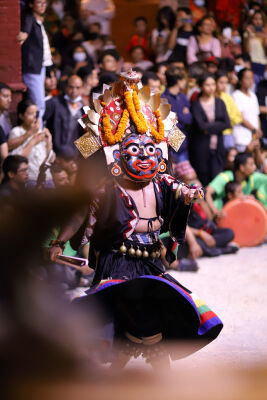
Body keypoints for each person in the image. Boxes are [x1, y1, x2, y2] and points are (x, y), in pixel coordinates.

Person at [49, 70, 223, 368]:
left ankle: (146, 375)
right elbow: (80, 214)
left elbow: (183, 191)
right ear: (117, 159)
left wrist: (192, 194)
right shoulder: (106, 189)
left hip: (151, 257)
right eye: (134, 149)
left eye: (150, 150)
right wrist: (58, 241)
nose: (143, 155)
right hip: (118, 258)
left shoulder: (163, 182)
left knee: (152, 312)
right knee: (131, 311)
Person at [189, 73, 231, 186]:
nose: (211, 87)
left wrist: (208, 128)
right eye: (207, 85)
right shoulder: (196, 105)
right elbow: (200, 126)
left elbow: (227, 123)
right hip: (201, 149)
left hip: (218, 148)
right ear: (201, 86)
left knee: (217, 179)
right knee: (204, 179)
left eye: (213, 84)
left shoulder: (220, 102)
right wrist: (218, 125)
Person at [17, 0, 53, 124]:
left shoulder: (39, 21)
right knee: (39, 103)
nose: (43, 5)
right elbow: (25, 30)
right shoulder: (29, 17)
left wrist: (48, 72)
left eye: (45, 3)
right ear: (31, 4)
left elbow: (45, 49)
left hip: (40, 66)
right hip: (32, 67)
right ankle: (37, 131)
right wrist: (24, 35)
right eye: (39, 2)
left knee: (39, 101)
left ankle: (38, 131)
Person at [206, 152, 267, 218]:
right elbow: (206, 192)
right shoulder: (225, 177)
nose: (255, 167)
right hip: (216, 214)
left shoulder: (252, 178)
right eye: (251, 164)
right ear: (242, 167)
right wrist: (215, 211)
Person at [8, 99, 54, 184]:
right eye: (30, 114)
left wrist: (49, 142)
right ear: (21, 116)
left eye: (36, 113)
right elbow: (17, 159)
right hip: (31, 179)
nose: (35, 116)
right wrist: (33, 139)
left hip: (47, 178)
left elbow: (51, 160)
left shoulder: (40, 132)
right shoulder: (16, 131)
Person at [43, 75, 84, 155]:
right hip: (54, 154)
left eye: (77, 88)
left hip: (74, 158)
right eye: (71, 87)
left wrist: (77, 159)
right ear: (66, 87)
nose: (74, 91)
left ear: (82, 89)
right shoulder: (54, 104)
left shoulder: (83, 109)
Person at [232, 68, 262, 152]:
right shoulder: (236, 95)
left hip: (254, 134)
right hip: (241, 135)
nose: (250, 81)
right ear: (240, 80)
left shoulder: (253, 96)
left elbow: (257, 115)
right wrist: (254, 129)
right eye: (247, 78)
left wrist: (258, 130)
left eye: (251, 78)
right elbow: (241, 118)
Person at [215, 71, 243, 149]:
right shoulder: (211, 98)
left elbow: (238, 117)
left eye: (226, 83)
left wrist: (227, 121)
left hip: (228, 133)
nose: (224, 86)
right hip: (214, 133)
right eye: (221, 83)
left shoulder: (228, 97)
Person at [243, 10, 267, 80]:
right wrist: (250, 34)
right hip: (252, 64)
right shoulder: (247, 34)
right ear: (252, 20)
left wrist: (264, 36)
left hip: (265, 65)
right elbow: (247, 50)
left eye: (260, 19)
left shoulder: (265, 34)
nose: (258, 21)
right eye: (255, 19)